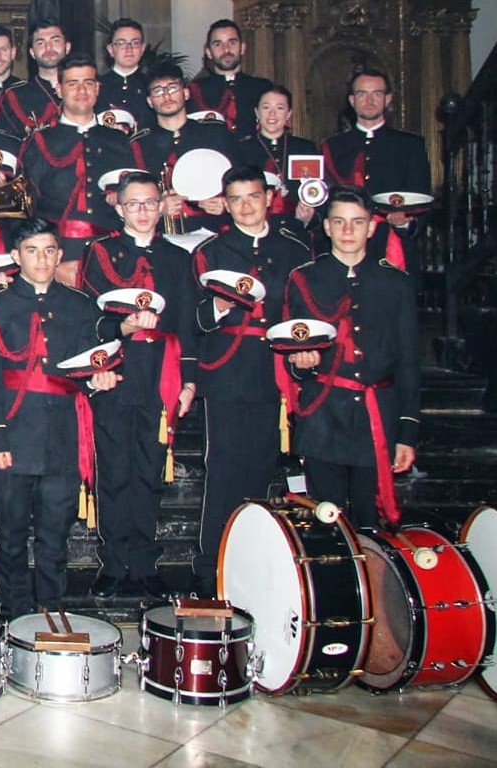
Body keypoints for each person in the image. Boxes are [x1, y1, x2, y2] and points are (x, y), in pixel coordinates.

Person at [0, 218, 116, 619]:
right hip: (13, 435)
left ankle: (51, 607)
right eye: (33, 251)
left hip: (62, 436)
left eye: (50, 250)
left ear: (59, 255)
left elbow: (90, 365)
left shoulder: (80, 305)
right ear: (16, 256)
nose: (42, 259)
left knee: (56, 532)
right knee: (13, 533)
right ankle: (15, 610)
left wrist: (98, 380)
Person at [190, 165, 311, 596]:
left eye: (253, 197)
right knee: (223, 468)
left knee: (263, 470)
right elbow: (197, 319)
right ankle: (211, 568)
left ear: (269, 199)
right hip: (226, 369)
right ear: (224, 203)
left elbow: (305, 311)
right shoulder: (210, 251)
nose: (246, 206)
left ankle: (253, 562)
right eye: (236, 199)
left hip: (274, 370)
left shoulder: (295, 250)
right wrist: (220, 307)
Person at [79, 173, 197, 598]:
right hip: (116, 374)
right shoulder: (102, 253)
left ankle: (145, 564)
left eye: (150, 203)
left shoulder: (178, 259)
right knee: (114, 472)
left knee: (148, 473)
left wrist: (188, 383)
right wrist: (120, 326)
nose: (143, 212)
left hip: (161, 378)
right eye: (134, 204)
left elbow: (186, 325)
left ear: (162, 205)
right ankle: (112, 565)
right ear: (119, 208)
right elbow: (88, 315)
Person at [283, 186, 420, 529]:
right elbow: (290, 352)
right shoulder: (304, 279)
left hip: (378, 418)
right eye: (339, 222)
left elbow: (408, 361)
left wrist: (407, 432)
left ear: (372, 227)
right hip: (323, 417)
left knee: (369, 519)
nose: (347, 231)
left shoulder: (395, 283)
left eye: (357, 223)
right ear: (326, 227)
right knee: (326, 518)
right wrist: (301, 364)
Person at [18, 53, 137, 287]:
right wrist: (49, 261)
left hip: (115, 254)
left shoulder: (119, 141)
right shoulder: (41, 142)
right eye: (73, 84)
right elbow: (27, 209)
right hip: (58, 257)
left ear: (97, 89)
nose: (82, 90)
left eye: (88, 83)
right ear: (59, 89)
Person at [320, 68, 431, 267]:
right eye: (362, 94)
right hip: (344, 248)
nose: (369, 101)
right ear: (352, 100)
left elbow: (422, 199)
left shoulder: (410, 146)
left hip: (392, 247)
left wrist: (405, 223)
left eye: (377, 94)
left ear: (388, 99)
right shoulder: (332, 147)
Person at [133, 63, 243, 233]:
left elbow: (243, 180)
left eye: (172, 88)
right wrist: (158, 207)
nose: (167, 96)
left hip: (216, 232)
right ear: (149, 101)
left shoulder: (216, 133)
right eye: (158, 91)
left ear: (186, 93)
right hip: (162, 237)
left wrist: (227, 202)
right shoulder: (139, 144)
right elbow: (130, 196)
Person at [239, 85, 321, 227]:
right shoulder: (241, 148)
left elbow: (316, 191)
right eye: (266, 107)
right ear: (257, 113)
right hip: (255, 227)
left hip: (296, 228)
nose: (272, 114)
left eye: (280, 108)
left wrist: (308, 217)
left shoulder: (305, 148)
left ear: (289, 113)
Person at [186, 20, 273, 141]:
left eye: (232, 42)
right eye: (218, 44)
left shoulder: (263, 88)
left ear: (242, 48)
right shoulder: (195, 91)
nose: (226, 49)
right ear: (208, 52)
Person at [0, 18, 69, 140]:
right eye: (41, 43)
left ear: (67, 47)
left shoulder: (88, 90)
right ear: (32, 53)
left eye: (55, 41)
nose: (48, 48)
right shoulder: (14, 96)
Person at [96, 18, 156, 133]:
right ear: (110, 49)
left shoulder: (152, 85)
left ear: (143, 48)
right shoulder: (97, 86)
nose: (129, 49)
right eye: (121, 43)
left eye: (135, 43)